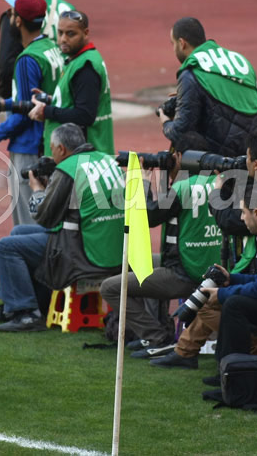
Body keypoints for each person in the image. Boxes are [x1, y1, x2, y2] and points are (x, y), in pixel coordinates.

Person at [152, 130, 257, 369]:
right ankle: (186, 351)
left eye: (247, 158)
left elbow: (232, 223)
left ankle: (251, 351)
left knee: (216, 300)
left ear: (255, 163)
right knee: (216, 291)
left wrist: (219, 189)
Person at [0, 123, 124, 332]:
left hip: (84, 253)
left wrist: (38, 190)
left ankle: (26, 314)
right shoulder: (107, 160)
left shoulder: (68, 169)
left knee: (6, 247)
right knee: (18, 232)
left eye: (51, 148)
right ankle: (20, 305)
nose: (50, 154)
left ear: (61, 149)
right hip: (109, 247)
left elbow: (44, 217)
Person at [100, 132, 223, 356]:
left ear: (179, 156)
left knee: (109, 288)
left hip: (184, 274)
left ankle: (156, 337)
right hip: (210, 270)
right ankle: (160, 328)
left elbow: (149, 216)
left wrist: (143, 182)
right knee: (135, 262)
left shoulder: (183, 188)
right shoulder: (218, 183)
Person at [0, 0, 64, 226]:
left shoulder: (27, 59)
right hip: (48, 141)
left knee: (29, 221)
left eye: (11, 12)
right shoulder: (52, 47)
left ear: (18, 21)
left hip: (30, 146)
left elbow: (27, 112)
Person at [159, 17, 257, 156]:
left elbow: (181, 131)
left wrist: (165, 122)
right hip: (253, 155)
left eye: (173, 44)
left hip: (219, 164)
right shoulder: (238, 60)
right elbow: (228, 99)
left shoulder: (191, 72)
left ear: (182, 43)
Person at [28, 10, 114, 156]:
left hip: (83, 160)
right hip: (83, 157)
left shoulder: (86, 67)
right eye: (60, 33)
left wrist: (46, 111)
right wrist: (53, 100)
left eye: (71, 34)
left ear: (85, 33)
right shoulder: (80, 59)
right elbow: (80, 99)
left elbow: (84, 115)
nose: (63, 39)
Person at [0, 0, 74, 99]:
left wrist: (8, 99)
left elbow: (6, 65)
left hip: (30, 96)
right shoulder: (67, 8)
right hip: (65, 94)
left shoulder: (16, 14)